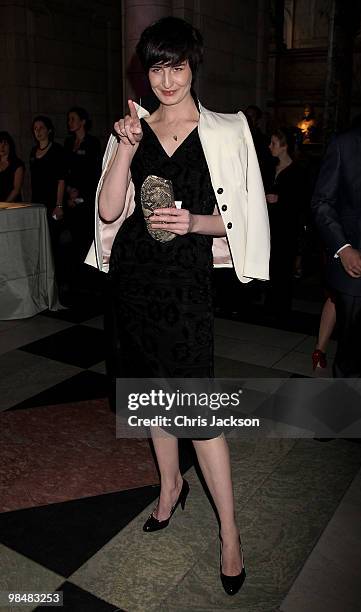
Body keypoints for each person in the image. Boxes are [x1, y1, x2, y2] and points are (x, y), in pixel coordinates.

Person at [86, 16, 270, 596]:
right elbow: (112, 211)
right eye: (157, 68)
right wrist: (124, 148)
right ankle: (170, 488)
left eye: (178, 66)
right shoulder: (131, 129)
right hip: (135, 282)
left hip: (186, 286)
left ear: (194, 66)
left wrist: (194, 221)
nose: (167, 80)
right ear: (147, 71)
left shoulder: (223, 130)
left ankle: (231, 533)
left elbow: (242, 219)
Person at [311, 120, 361, 377]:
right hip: (357, 269)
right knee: (351, 354)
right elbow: (322, 202)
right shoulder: (347, 142)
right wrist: (344, 248)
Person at [265, 127, 308, 319]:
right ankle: (270, 305)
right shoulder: (270, 167)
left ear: (284, 146)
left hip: (287, 228)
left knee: (283, 268)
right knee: (270, 266)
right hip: (269, 226)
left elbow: (302, 203)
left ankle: (281, 308)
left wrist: (279, 200)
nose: (270, 146)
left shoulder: (298, 171)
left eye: (274, 143)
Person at [30, 115, 70, 299]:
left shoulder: (57, 151)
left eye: (40, 128)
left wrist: (59, 204)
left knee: (56, 245)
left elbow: (61, 180)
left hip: (53, 205)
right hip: (38, 205)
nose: (37, 131)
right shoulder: (32, 152)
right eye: (35, 128)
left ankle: (62, 283)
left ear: (49, 130)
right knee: (40, 245)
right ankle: (45, 282)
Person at [64, 107, 101, 264]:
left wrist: (80, 193)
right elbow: (64, 170)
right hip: (70, 195)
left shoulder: (92, 142)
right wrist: (68, 190)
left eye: (73, 118)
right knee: (73, 239)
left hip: (87, 196)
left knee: (86, 237)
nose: (69, 122)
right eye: (69, 119)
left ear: (83, 121)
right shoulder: (68, 142)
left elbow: (95, 172)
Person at [0, 131, 24, 202]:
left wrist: (4, 205)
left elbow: (16, 190)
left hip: (12, 205)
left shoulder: (17, 164)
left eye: (5, 143)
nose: (2, 146)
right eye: (0, 143)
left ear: (10, 146)